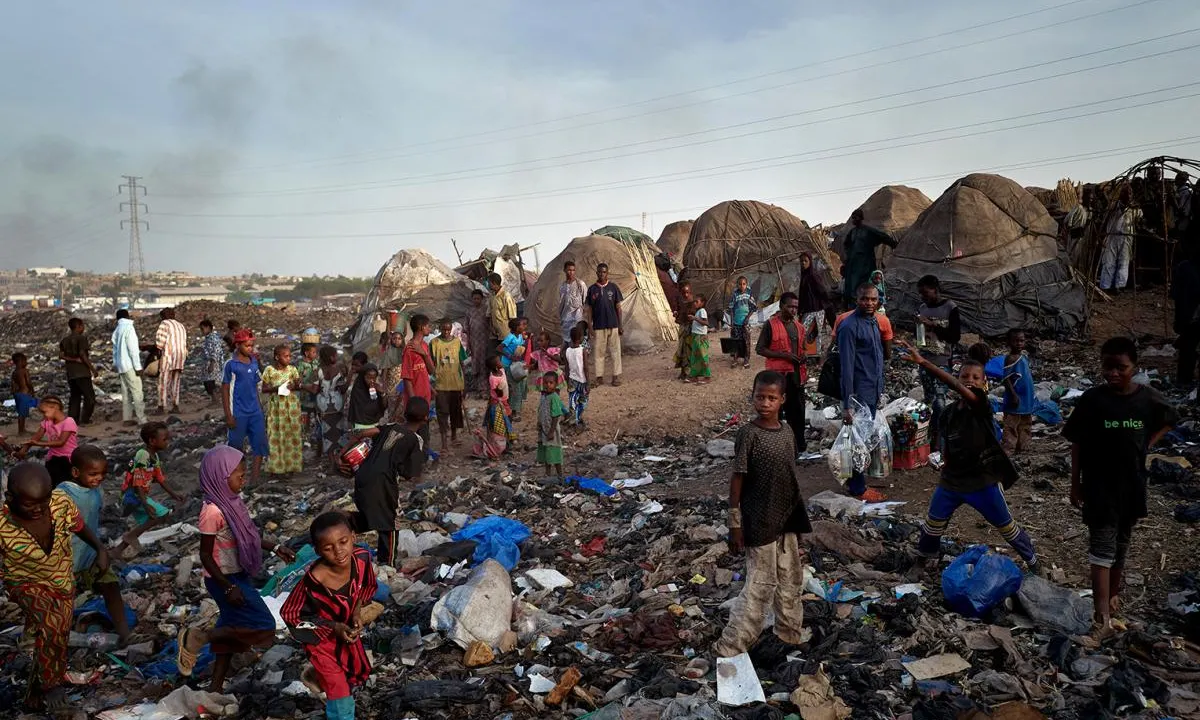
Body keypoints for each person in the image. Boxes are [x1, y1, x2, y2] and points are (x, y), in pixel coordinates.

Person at [1062, 337, 1178, 635]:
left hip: (1132, 485)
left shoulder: (1147, 398)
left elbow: (1171, 417)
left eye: (1121, 367)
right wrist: (1076, 484)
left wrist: (1146, 445)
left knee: (1121, 546)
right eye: (1108, 367)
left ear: (1134, 367)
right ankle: (1101, 620)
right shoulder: (1093, 400)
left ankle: (1113, 597)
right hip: (1100, 486)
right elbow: (1076, 442)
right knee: (1101, 549)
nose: (1113, 373)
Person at [896, 341, 1041, 575]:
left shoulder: (981, 405)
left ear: (984, 384)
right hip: (952, 481)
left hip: (982, 482)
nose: (969, 381)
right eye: (965, 376)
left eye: (975, 377)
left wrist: (924, 362)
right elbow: (944, 441)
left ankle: (1033, 562)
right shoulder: (950, 412)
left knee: (1007, 527)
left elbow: (957, 387)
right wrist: (939, 458)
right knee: (933, 524)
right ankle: (923, 561)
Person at [177, 446, 296, 692]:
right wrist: (228, 586)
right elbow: (205, 555)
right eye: (239, 476)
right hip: (223, 579)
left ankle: (215, 687)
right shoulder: (212, 511)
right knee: (263, 625)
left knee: (229, 632)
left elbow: (246, 535)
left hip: (236, 573)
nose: (243, 479)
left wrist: (274, 548)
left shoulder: (231, 501)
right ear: (221, 477)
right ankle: (199, 637)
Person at [712, 371, 811, 657]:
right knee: (759, 586)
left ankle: (789, 635)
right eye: (760, 397)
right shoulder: (749, 434)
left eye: (771, 398)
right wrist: (735, 523)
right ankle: (730, 647)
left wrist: (798, 524)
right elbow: (737, 479)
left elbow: (789, 476)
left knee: (791, 580)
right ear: (752, 396)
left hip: (787, 518)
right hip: (759, 519)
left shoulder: (788, 432)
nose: (765, 403)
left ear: (782, 400)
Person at [0, 462, 107, 713]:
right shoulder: (3, 526)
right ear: (10, 498)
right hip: (25, 583)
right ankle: (52, 684)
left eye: (43, 502)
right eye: (29, 504)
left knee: (52, 635)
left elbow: (80, 527)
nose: (38, 509)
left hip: (61, 579)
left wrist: (100, 548)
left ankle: (33, 697)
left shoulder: (60, 503)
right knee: (52, 621)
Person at [281, 512, 379, 720]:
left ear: (353, 537)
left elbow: (366, 587)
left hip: (345, 635)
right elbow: (290, 614)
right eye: (328, 547)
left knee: (354, 673)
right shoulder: (313, 581)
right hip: (321, 641)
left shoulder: (361, 559)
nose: (338, 551)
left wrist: (356, 612)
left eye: (343, 541)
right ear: (318, 551)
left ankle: (318, 677)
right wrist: (332, 626)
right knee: (340, 691)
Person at [56, 445, 132, 644]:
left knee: (111, 586)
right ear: (75, 472)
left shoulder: (95, 490)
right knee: (63, 600)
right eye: (93, 474)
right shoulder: (63, 493)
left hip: (89, 554)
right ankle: (58, 638)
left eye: (103, 474)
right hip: (65, 559)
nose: (98, 478)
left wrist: (100, 549)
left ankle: (125, 634)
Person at [350, 398, 427, 565]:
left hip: (363, 475)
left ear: (404, 414)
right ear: (425, 419)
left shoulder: (390, 427)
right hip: (383, 481)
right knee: (390, 524)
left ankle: (341, 523)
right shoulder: (415, 440)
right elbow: (409, 474)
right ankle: (388, 564)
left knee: (371, 515)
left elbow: (367, 433)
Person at [837, 284, 887, 501]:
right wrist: (847, 403)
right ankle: (858, 488)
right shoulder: (849, 326)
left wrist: (881, 388)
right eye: (865, 299)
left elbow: (877, 357)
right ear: (857, 299)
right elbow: (846, 367)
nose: (869, 303)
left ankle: (853, 480)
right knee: (857, 441)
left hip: (872, 388)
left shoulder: (874, 321)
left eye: (873, 299)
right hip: (858, 393)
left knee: (861, 439)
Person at [118, 422, 183, 553]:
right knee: (161, 514)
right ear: (152, 441)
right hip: (133, 495)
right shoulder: (143, 455)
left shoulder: (154, 456)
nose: (167, 442)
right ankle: (130, 536)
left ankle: (117, 551)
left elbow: (160, 478)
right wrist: (145, 504)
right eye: (164, 439)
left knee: (153, 519)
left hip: (138, 495)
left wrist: (173, 494)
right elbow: (138, 481)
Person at [756, 292, 807, 456]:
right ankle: (774, 448)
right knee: (775, 413)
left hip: (796, 377)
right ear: (781, 306)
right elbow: (760, 349)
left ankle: (798, 448)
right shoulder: (771, 325)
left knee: (797, 413)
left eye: (796, 307)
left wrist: (803, 356)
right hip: (777, 379)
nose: (793, 310)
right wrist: (783, 355)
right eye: (790, 306)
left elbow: (803, 348)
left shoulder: (799, 327)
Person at [915, 275, 961, 451]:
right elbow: (920, 338)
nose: (923, 297)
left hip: (942, 362)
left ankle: (940, 444)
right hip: (925, 361)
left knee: (940, 402)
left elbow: (954, 336)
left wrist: (932, 325)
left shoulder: (950, 308)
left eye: (925, 293)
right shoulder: (922, 308)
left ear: (935, 289)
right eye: (921, 294)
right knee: (929, 401)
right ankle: (930, 439)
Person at [222, 329, 268, 486]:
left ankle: (254, 479)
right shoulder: (231, 365)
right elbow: (225, 389)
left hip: (255, 411)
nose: (251, 349)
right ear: (238, 345)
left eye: (252, 346)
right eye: (247, 346)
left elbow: (255, 385)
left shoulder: (253, 362)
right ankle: (237, 477)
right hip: (238, 413)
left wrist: (260, 408)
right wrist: (228, 415)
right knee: (235, 447)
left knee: (259, 444)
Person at [840, 209, 897, 307]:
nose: (854, 220)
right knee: (850, 285)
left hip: (865, 263)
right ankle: (851, 306)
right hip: (853, 263)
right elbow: (846, 244)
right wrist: (847, 256)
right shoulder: (852, 232)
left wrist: (893, 244)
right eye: (853, 218)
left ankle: (863, 305)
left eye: (856, 217)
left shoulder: (868, 230)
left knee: (863, 284)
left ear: (861, 218)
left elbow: (882, 236)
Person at [17, 396, 78, 487]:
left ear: (55, 407)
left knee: (66, 485)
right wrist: (24, 449)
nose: (44, 415)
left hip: (68, 459)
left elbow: (61, 442)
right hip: (52, 457)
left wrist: (39, 444)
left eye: (44, 412)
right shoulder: (47, 422)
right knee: (51, 483)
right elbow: (36, 437)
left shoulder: (69, 422)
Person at [263, 344, 303, 477]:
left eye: (290, 356)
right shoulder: (269, 370)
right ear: (277, 357)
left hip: (290, 407)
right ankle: (277, 467)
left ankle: (291, 467)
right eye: (286, 356)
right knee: (275, 435)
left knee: (291, 435)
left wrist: (295, 385)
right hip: (276, 408)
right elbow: (264, 389)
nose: (289, 359)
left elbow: (298, 385)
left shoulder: (292, 369)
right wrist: (277, 388)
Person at [431, 319, 467, 450]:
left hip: (456, 384)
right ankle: (444, 442)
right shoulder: (434, 343)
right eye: (443, 329)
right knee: (442, 413)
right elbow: (431, 363)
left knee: (455, 411)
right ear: (440, 328)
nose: (446, 332)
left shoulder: (457, 342)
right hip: (441, 384)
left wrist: (465, 384)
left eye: (448, 329)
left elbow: (462, 363)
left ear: (451, 329)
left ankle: (454, 436)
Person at [586, 263, 624, 387]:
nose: (602, 274)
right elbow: (589, 309)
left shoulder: (613, 288)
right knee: (598, 352)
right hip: (598, 326)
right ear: (596, 273)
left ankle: (616, 376)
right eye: (600, 272)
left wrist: (620, 324)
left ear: (607, 273)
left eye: (604, 272)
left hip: (613, 324)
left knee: (615, 351)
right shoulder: (592, 289)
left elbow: (618, 308)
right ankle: (599, 377)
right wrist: (590, 326)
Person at [399, 315, 434, 449]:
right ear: (421, 327)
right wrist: (413, 402)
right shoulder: (409, 350)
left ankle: (423, 458)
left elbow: (431, 371)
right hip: (415, 400)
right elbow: (407, 378)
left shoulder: (424, 346)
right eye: (428, 326)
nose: (429, 328)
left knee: (425, 431)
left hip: (425, 397)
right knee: (414, 434)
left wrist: (424, 355)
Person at [473, 355, 516, 459]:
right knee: (499, 425)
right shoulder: (493, 378)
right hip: (497, 404)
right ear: (496, 367)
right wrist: (502, 388)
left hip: (504, 401)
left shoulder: (501, 371)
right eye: (499, 361)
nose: (501, 362)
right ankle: (501, 445)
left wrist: (509, 388)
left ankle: (506, 443)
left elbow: (505, 384)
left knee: (508, 420)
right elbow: (499, 393)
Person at [1001, 330, 1036, 454]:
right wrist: (1013, 395)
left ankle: (1024, 447)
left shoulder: (1023, 357)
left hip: (1026, 399)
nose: (1019, 343)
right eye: (1016, 341)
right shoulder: (1010, 358)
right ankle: (1009, 449)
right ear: (1009, 342)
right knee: (1011, 425)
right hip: (1015, 399)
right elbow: (1006, 379)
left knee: (1025, 424)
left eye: (1022, 340)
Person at [1099, 185, 1139, 293]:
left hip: (1126, 237)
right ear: (1121, 195)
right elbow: (1105, 220)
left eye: (1130, 193)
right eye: (1126, 193)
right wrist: (1101, 236)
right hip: (1112, 236)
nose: (1128, 196)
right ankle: (1106, 286)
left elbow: (1139, 221)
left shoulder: (1135, 209)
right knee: (1108, 261)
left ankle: (1119, 286)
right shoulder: (1113, 206)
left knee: (1124, 261)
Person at [315, 345, 350, 466]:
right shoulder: (338, 370)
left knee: (327, 434)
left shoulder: (318, 371)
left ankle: (331, 462)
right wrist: (350, 375)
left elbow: (315, 388)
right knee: (339, 432)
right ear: (331, 357)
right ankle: (339, 460)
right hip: (337, 405)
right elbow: (343, 389)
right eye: (335, 355)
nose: (336, 357)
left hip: (323, 406)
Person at [112, 309, 146, 426]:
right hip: (130, 365)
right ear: (127, 316)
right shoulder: (129, 328)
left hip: (121, 366)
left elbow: (115, 350)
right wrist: (138, 367)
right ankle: (142, 419)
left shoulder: (117, 330)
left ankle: (127, 418)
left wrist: (115, 364)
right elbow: (133, 350)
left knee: (126, 393)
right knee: (137, 392)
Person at [1171, 249, 1200, 385]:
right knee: (1187, 349)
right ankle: (1184, 380)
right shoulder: (1184, 268)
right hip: (1191, 316)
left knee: (1187, 349)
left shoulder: (1184, 267)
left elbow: (1177, 296)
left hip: (1189, 317)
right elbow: (1177, 296)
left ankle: (1184, 380)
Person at [59, 317, 95, 425]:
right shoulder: (81, 338)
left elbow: (61, 356)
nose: (83, 328)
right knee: (90, 397)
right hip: (82, 372)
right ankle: (85, 419)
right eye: (82, 326)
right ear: (78, 326)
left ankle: (73, 420)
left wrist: (72, 359)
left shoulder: (64, 340)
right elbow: (83, 355)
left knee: (75, 397)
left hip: (71, 373)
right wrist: (92, 369)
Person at [796, 253, 834, 356]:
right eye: (801, 261)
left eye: (805, 261)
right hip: (808, 309)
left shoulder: (813, 276)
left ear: (810, 262)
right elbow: (802, 295)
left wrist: (825, 304)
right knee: (803, 330)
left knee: (817, 331)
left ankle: (818, 354)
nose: (803, 263)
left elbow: (822, 291)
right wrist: (800, 310)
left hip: (817, 309)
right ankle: (805, 352)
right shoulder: (804, 275)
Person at [155, 307, 188, 414]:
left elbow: (160, 343)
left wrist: (155, 352)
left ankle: (161, 406)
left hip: (168, 357)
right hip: (180, 357)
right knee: (176, 382)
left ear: (164, 316)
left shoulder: (164, 324)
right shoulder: (181, 325)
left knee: (163, 382)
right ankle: (175, 406)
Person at [296, 342, 323, 457]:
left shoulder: (316, 363)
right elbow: (299, 380)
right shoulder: (301, 365)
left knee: (318, 420)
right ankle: (305, 441)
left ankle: (317, 446)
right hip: (305, 397)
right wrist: (302, 384)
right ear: (306, 353)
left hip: (316, 396)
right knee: (305, 421)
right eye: (313, 352)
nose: (315, 354)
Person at [537, 372, 566, 477]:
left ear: (556, 384)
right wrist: (539, 424)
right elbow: (541, 411)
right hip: (544, 429)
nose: (548, 385)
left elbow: (556, 416)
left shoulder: (554, 397)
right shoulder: (544, 396)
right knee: (547, 453)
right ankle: (547, 474)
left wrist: (551, 431)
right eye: (546, 383)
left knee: (555, 452)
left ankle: (560, 474)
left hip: (551, 430)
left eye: (551, 383)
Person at [499, 318, 529, 418]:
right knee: (514, 387)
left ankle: (514, 409)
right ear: (516, 328)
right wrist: (510, 356)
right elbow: (499, 348)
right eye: (522, 325)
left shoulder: (519, 336)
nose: (524, 326)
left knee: (519, 386)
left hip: (515, 365)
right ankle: (513, 411)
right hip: (508, 365)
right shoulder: (510, 337)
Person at [347, 364, 389, 432]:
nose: (372, 381)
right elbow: (358, 411)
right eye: (369, 378)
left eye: (374, 378)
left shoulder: (377, 388)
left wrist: (382, 393)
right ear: (363, 377)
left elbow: (384, 406)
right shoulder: (358, 390)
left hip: (375, 425)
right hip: (360, 426)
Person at [464, 289, 491, 394]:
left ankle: (485, 388)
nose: (476, 300)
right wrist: (468, 344)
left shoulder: (486, 310)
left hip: (485, 341)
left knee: (485, 363)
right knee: (476, 364)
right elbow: (467, 329)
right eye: (474, 299)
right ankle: (477, 387)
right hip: (474, 342)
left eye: (478, 298)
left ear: (482, 299)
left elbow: (490, 325)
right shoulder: (469, 311)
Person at [728, 276, 757, 369]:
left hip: (746, 323)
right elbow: (731, 309)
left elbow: (753, 308)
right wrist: (732, 321)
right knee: (736, 341)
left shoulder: (749, 294)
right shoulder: (735, 295)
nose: (742, 286)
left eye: (744, 284)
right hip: (736, 323)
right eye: (740, 284)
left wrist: (747, 318)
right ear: (737, 285)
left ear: (746, 284)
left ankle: (746, 359)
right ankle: (735, 359)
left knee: (746, 341)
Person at [377, 331, 406, 419]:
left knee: (402, 412)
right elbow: (384, 374)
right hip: (391, 388)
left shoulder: (405, 353)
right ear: (391, 340)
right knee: (392, 412)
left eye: (399, 339)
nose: (397, 341)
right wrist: (385, 391)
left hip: (403, 386)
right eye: (394, 338)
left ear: (402, 340)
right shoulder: (388, 354)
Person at [565, 325, 589, 429]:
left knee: (572, 401)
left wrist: (567, 381)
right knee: (583, 400)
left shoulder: (567, 350)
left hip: (571, 379)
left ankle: (574, 419)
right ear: (580, 338)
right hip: (582, 380)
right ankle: (577, 418)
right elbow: (586, 368)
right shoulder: (583, 350)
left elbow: (566, 368)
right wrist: (588, 382)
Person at [559, 260, 589, 344]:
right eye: (569, 270)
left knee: (579, 341)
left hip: (577, 319)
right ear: (564, 270)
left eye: (573, 270)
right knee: (568, 341)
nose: (571, 272)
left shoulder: (580, 284)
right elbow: (562, 303)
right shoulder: (562, 286)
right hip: (566, 319)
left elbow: (585, 301)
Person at [687, 294, 712, 384]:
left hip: (701, 337)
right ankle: (694, 376)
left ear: (702, 303)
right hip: (696, 336)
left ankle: (707, 376)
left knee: (703, 356)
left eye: (697, 301)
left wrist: (695, 318)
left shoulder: (702, 311)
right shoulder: (698, 311)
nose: (694, 303)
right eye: (694, 301)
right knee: (695, 357)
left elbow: (706, 323)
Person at [530, 330, 564, 396]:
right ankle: (545, 405)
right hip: (544, 376)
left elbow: (559, 360)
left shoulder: (552, 350)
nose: (539, 343)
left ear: (547, 341)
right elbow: (536, 365)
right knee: (544, 392)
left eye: (541, 341)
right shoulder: (539, 353)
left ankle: (555, 405)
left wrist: (548, 355)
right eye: (538, 341)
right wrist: (529, 367)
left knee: (555, 392)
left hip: (553, 375)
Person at [200, 319, 226, 404]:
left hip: (213, 364)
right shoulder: (209, 338)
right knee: (208, 382)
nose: (202, 331)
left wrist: (212, 363)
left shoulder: (213, 338)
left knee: (212, 383)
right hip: (209, 363)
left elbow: (215, 351)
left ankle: (216, 401)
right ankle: (214, 400)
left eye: (202, 329)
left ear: (208, 327)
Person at [673, 281, 694, 381]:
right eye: (684, 293)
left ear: (690, 293)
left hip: (689, 328)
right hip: (682, 327)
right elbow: (677, 310)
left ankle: (687, 373)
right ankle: (682, 372)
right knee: (681, 349)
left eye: (687, 292)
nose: (685, 294)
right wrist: (676, 312)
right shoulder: (680, 301)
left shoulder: (692, 303)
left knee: (688, 350)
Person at [10, 352, 36, 435]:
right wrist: (32, 390)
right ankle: (21, 431)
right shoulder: (24, 371)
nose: (26, 363)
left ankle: (22, 429)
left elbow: (13, 385)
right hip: (24, 394)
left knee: (21, 413)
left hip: (17, 394)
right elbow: (28, 382)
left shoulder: (14, 372)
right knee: (22, 413)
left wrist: (14, 393)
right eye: (25, 361)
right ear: (21, 361)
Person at [488, 273, 517, 344]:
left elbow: (512, 317)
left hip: (506, 333)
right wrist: (491, 327)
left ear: (494, 283)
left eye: (489, 283)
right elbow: (489, 314)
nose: (488, 285)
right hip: (495, 334)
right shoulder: (492, 296)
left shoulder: (506, 296)